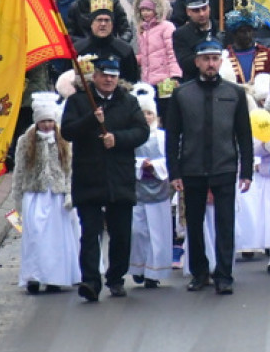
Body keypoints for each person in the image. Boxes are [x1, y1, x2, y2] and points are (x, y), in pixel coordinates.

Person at [166, 38, 254, 295]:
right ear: (197, 62)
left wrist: (246, 171)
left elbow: (244, 136)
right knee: (193, 224)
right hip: (192, 167)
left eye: (215, 59)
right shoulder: (182, 93)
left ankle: (224, 274)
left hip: (224, 166)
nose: (211, 64)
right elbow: (172, 135)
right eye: (206, 59)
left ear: (221, 61)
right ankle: (199, 272)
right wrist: (174, 172)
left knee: (225, 224)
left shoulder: (234, 93)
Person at [61, 56, 150, 302]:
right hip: (89, 176)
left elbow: (141, 131)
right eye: (104, 74)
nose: (109, 79)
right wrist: (92, 119)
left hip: (119, 176)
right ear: (95, 76)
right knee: (90, 232)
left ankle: (116, 277)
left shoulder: (128, 102)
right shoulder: (79, 101)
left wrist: (117, 139)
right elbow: (67, 131)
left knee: (121, 232)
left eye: (113, 75)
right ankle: (90, 280)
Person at [10, 92, 80, 294]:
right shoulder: (26, 141)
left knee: (55, 238)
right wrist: (18, 198)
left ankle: (54, 276)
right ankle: (33, 276)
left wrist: (69, 193)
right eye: (43, 121)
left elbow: (69, 169)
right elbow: (20, 170)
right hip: (35, 194)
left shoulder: (63, 140)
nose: (47, 125)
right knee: (35, 236)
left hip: (57, 195)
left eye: (50, 120)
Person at [129, 87, 173, 289]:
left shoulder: (162, 137)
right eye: (143, 113)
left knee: (157, 231)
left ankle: (153, 272)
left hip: (159, 189)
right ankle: (138, 267)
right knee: (138, 231)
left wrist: (154, 166)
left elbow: (169, 159)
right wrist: (139, 164)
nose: (146, 117)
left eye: (149, 113)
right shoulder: (132, 137)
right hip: (137, 189)